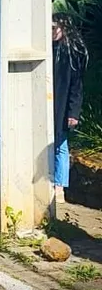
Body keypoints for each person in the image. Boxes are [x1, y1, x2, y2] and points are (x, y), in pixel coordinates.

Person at [52, 13, 86, 203]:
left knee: (60, 144)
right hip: (50, 102)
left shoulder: (72, 53)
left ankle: (59, 186)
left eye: (54, 28)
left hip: (63, 104)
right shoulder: (48, 49)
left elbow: (76, 85)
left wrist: (73, 112)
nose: (51, 32)